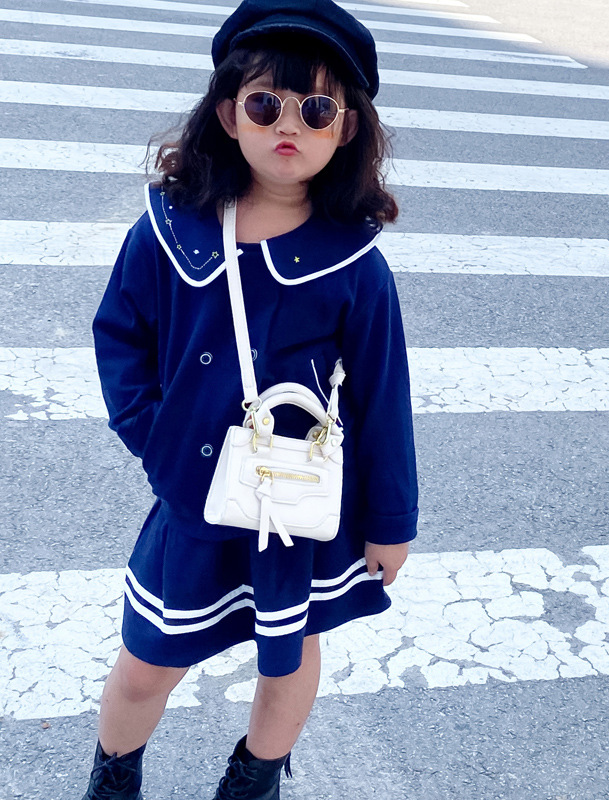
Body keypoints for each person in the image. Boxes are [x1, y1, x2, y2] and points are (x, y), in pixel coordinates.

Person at [81, 1, 418, 798]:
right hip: (192, 497)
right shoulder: (169, 229)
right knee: (147, 658)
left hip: (295, 502)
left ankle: (255, 777)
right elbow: (120, 334)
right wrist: (154, 434)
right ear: (231, 115)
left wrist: (391, 523)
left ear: (346, 130)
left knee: (290, 652)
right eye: (266, 104)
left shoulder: (355, 265)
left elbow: (383, 397)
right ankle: (114, 775)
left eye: (317, 108)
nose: (288, 124)